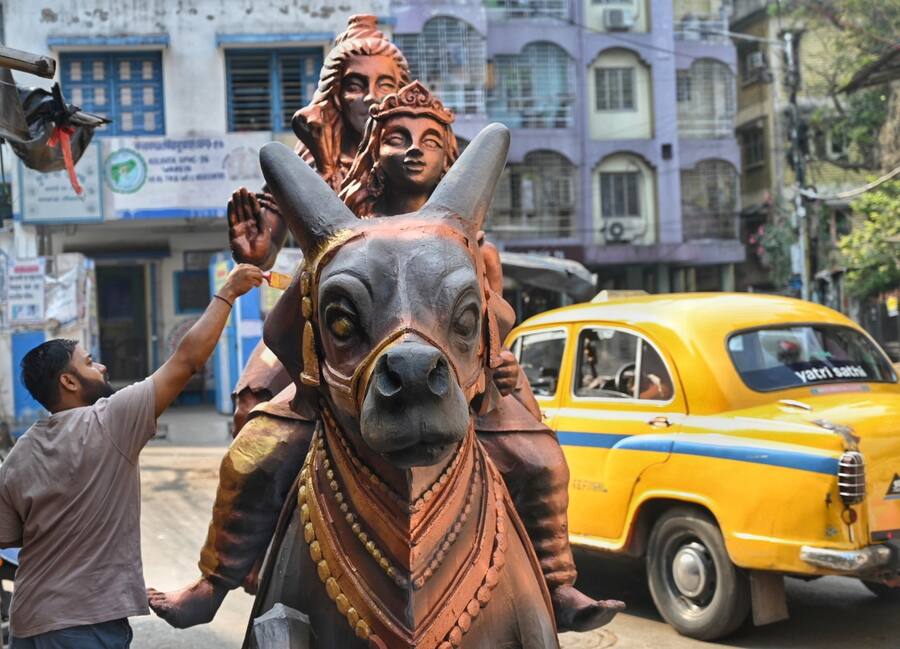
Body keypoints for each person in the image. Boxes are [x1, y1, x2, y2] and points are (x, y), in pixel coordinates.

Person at [149, 83, 623, 633]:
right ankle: (215, 579)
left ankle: (557, 580)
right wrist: (271, 277)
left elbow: (490, 317)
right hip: (348, 372)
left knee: (541, 458)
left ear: (449, 156)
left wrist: (495, 362)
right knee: (254, 454)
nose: (415, 150)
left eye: (430, 140)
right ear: (375, 150)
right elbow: (297, 312)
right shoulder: (340, 224)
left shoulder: (471, 242)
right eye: (398, 138)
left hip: (462, 375)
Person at [0, 264, 262, 648]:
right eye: (89, 362)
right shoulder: (111, 420)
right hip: (86, 624)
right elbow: (187, 360)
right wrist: (228, 293)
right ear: (68, 381)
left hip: (28, 621)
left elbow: (8, 537)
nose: (102, 366)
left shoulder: (20, 452)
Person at [227, 14, 411, 434]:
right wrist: (256, 249)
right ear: (336, 94)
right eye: (356, 85)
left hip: (405, 306)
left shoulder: (413, 156)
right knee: (251, 405)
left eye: (385, 84)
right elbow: (269, 237)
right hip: (321, 306)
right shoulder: (309, 155)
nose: (371, 97)